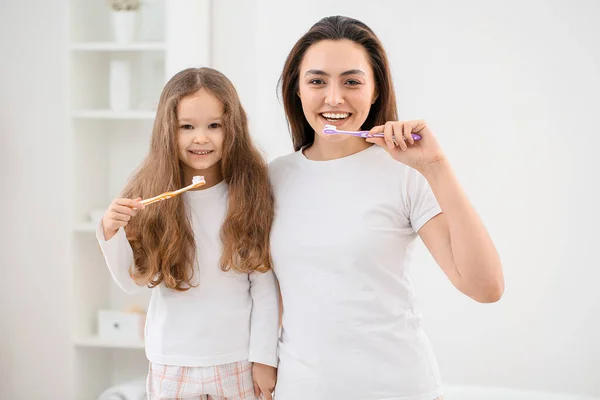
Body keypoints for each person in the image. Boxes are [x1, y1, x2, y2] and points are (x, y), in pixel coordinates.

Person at [268, 16, 504, 400]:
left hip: (398, 387)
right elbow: (263, 295)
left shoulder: (405, 173)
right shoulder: (271, 179)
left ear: (376, 90)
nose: (333, 98)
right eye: (316, 81)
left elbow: (486, 287)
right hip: (301, 389)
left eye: (352, 81)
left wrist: (436, 167)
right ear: (296, 89)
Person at [97, 67, 279, 400]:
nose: (201, 137)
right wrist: (110, 231)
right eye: (187, 127)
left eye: (214, 126)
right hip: (171, 362)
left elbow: (264, 285)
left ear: (232, 128)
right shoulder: (150, 195)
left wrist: (264, 358)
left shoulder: (249, 193)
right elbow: (130, 280)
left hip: (236, 360)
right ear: (168, 131)